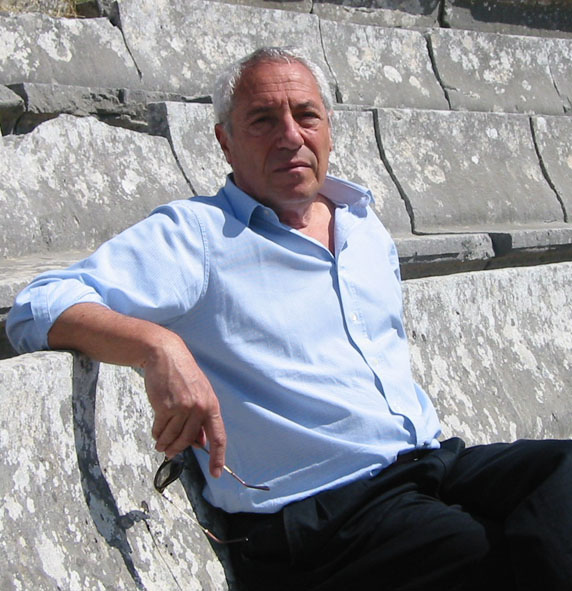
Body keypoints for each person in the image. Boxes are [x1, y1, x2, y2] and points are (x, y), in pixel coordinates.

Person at [6, 47, 572, 591]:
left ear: (328, 128)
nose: (291, 136)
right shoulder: (197, 235)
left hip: (429, 464)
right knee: (482, 552)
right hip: (320, 518)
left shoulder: (362, 223)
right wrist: (156, 346)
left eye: (306, 115)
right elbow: (38, 305)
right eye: (262, 120)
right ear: (225, 142)